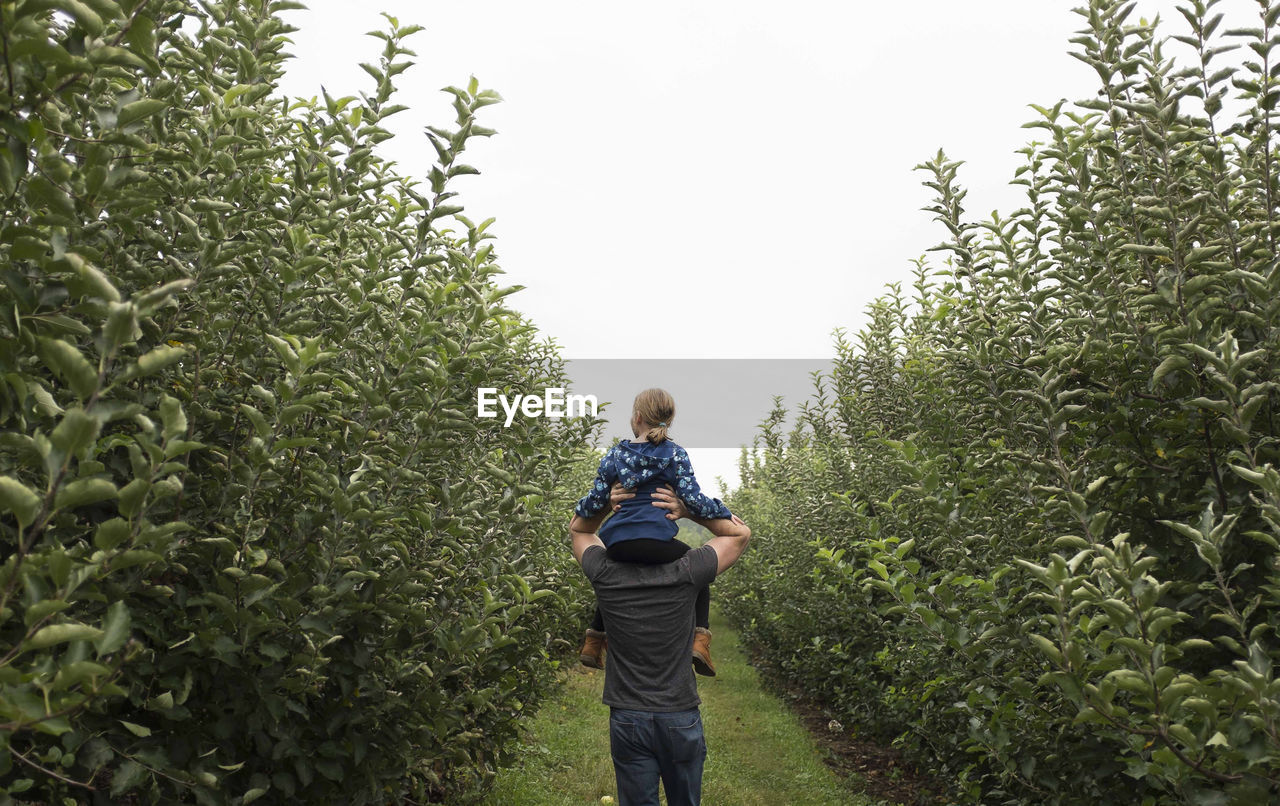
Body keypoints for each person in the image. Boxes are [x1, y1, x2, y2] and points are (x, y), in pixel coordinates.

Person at [569, 485, 751, 806]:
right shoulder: (687, 570)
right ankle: (701, 638)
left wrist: (605, 502)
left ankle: (593, 640)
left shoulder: (604, 573)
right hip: (679, 716)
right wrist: (689, 508)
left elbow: (579, 528)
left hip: (628, 716)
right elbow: (739, 534)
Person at [572, 388, 737, 675]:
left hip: (619, 544)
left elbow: (596, 497)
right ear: (668, 420)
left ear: (637, 417)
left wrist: (599, 503)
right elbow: (693, 499)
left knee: (608, 578)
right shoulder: (675, 454)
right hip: (658, 542)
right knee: (699, 572)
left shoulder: (616, 454)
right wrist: (721, 511)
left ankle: (594, 639)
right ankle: (700, 638)